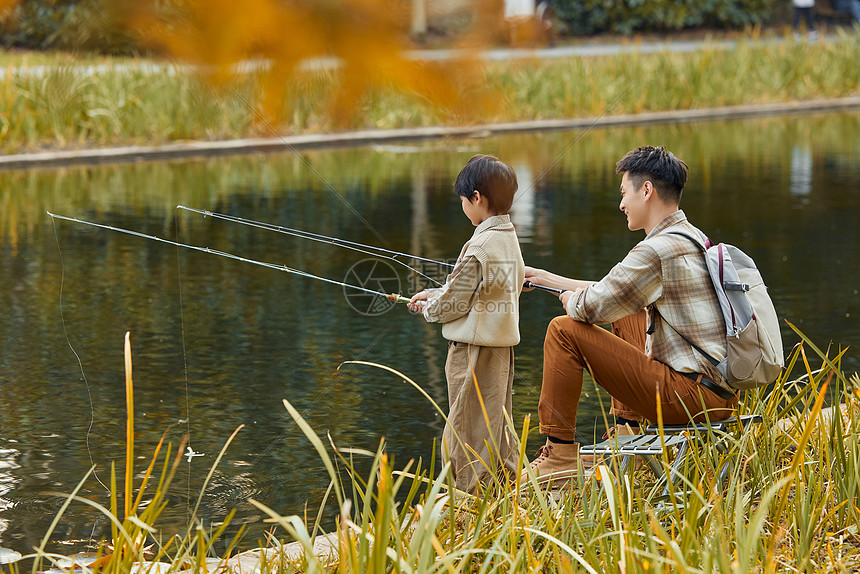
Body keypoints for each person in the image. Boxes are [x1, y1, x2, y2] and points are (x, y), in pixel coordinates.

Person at [522, 145, 738, 485]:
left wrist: (568, 300)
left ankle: (559, 454)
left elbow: (589, 306)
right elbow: (617, 292)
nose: (621, 203)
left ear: (647, 190)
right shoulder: (691, 237)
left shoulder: (655, 250)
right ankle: (627, 434)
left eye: (625, 193)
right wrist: (546, 278)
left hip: (690, 398)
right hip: (719, 394)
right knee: (628, 310)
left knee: (563, 330)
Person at [409, 154, 525, 493]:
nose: (463, 206)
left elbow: (455, 302)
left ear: (477, 198)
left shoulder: (480, 246)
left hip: (472, 350)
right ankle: (503, 488)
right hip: (500, 349)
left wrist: (430, 308)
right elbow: (481, 289)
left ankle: (465, 497)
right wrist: (435, 292)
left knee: (464, 425)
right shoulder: (507, 236)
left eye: (463, 200)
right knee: (495, 422)